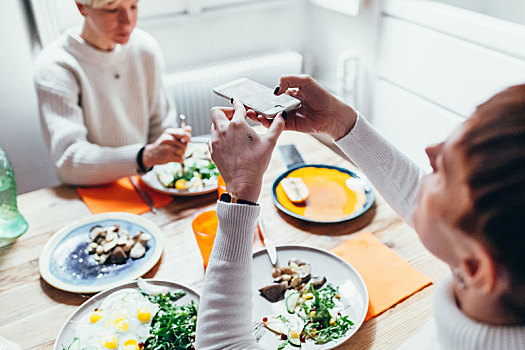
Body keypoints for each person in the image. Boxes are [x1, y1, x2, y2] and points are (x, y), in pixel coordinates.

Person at [195, 75, 525, 350]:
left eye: (445, 172)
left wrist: (240, 191)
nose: (430, 150)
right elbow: (438, 210)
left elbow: (221, 344)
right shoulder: (497, 279)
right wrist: (341, 123)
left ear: (476, 268)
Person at [34, 0, 190, 186]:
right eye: (112, 9)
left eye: (133, 6)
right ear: (82, 7)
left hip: (146, 182)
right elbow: (69, 162)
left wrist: (170, 146)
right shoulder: (56, 66)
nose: (127, 21)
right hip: (90, 192)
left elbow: (162, 124)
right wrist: (144, 156)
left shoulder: (145, 48)